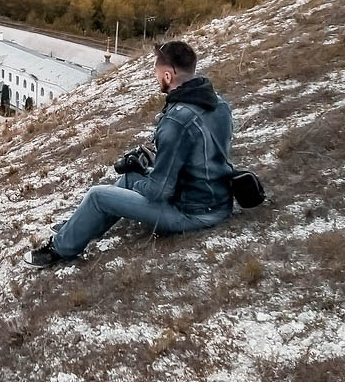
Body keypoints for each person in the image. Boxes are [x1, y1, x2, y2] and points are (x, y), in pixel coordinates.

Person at [24, 41, 235, 268]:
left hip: (193, 212)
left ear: (167, 75)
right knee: (127, 179)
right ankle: (79, 226)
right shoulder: (218, 103)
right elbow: (201, 152)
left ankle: (60, 248)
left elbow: (159, 191)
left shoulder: (176, 120)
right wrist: (144, 171)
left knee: (98, 195)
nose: (156, 78)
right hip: (217, 197)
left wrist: (142, 172)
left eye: (156, 72)